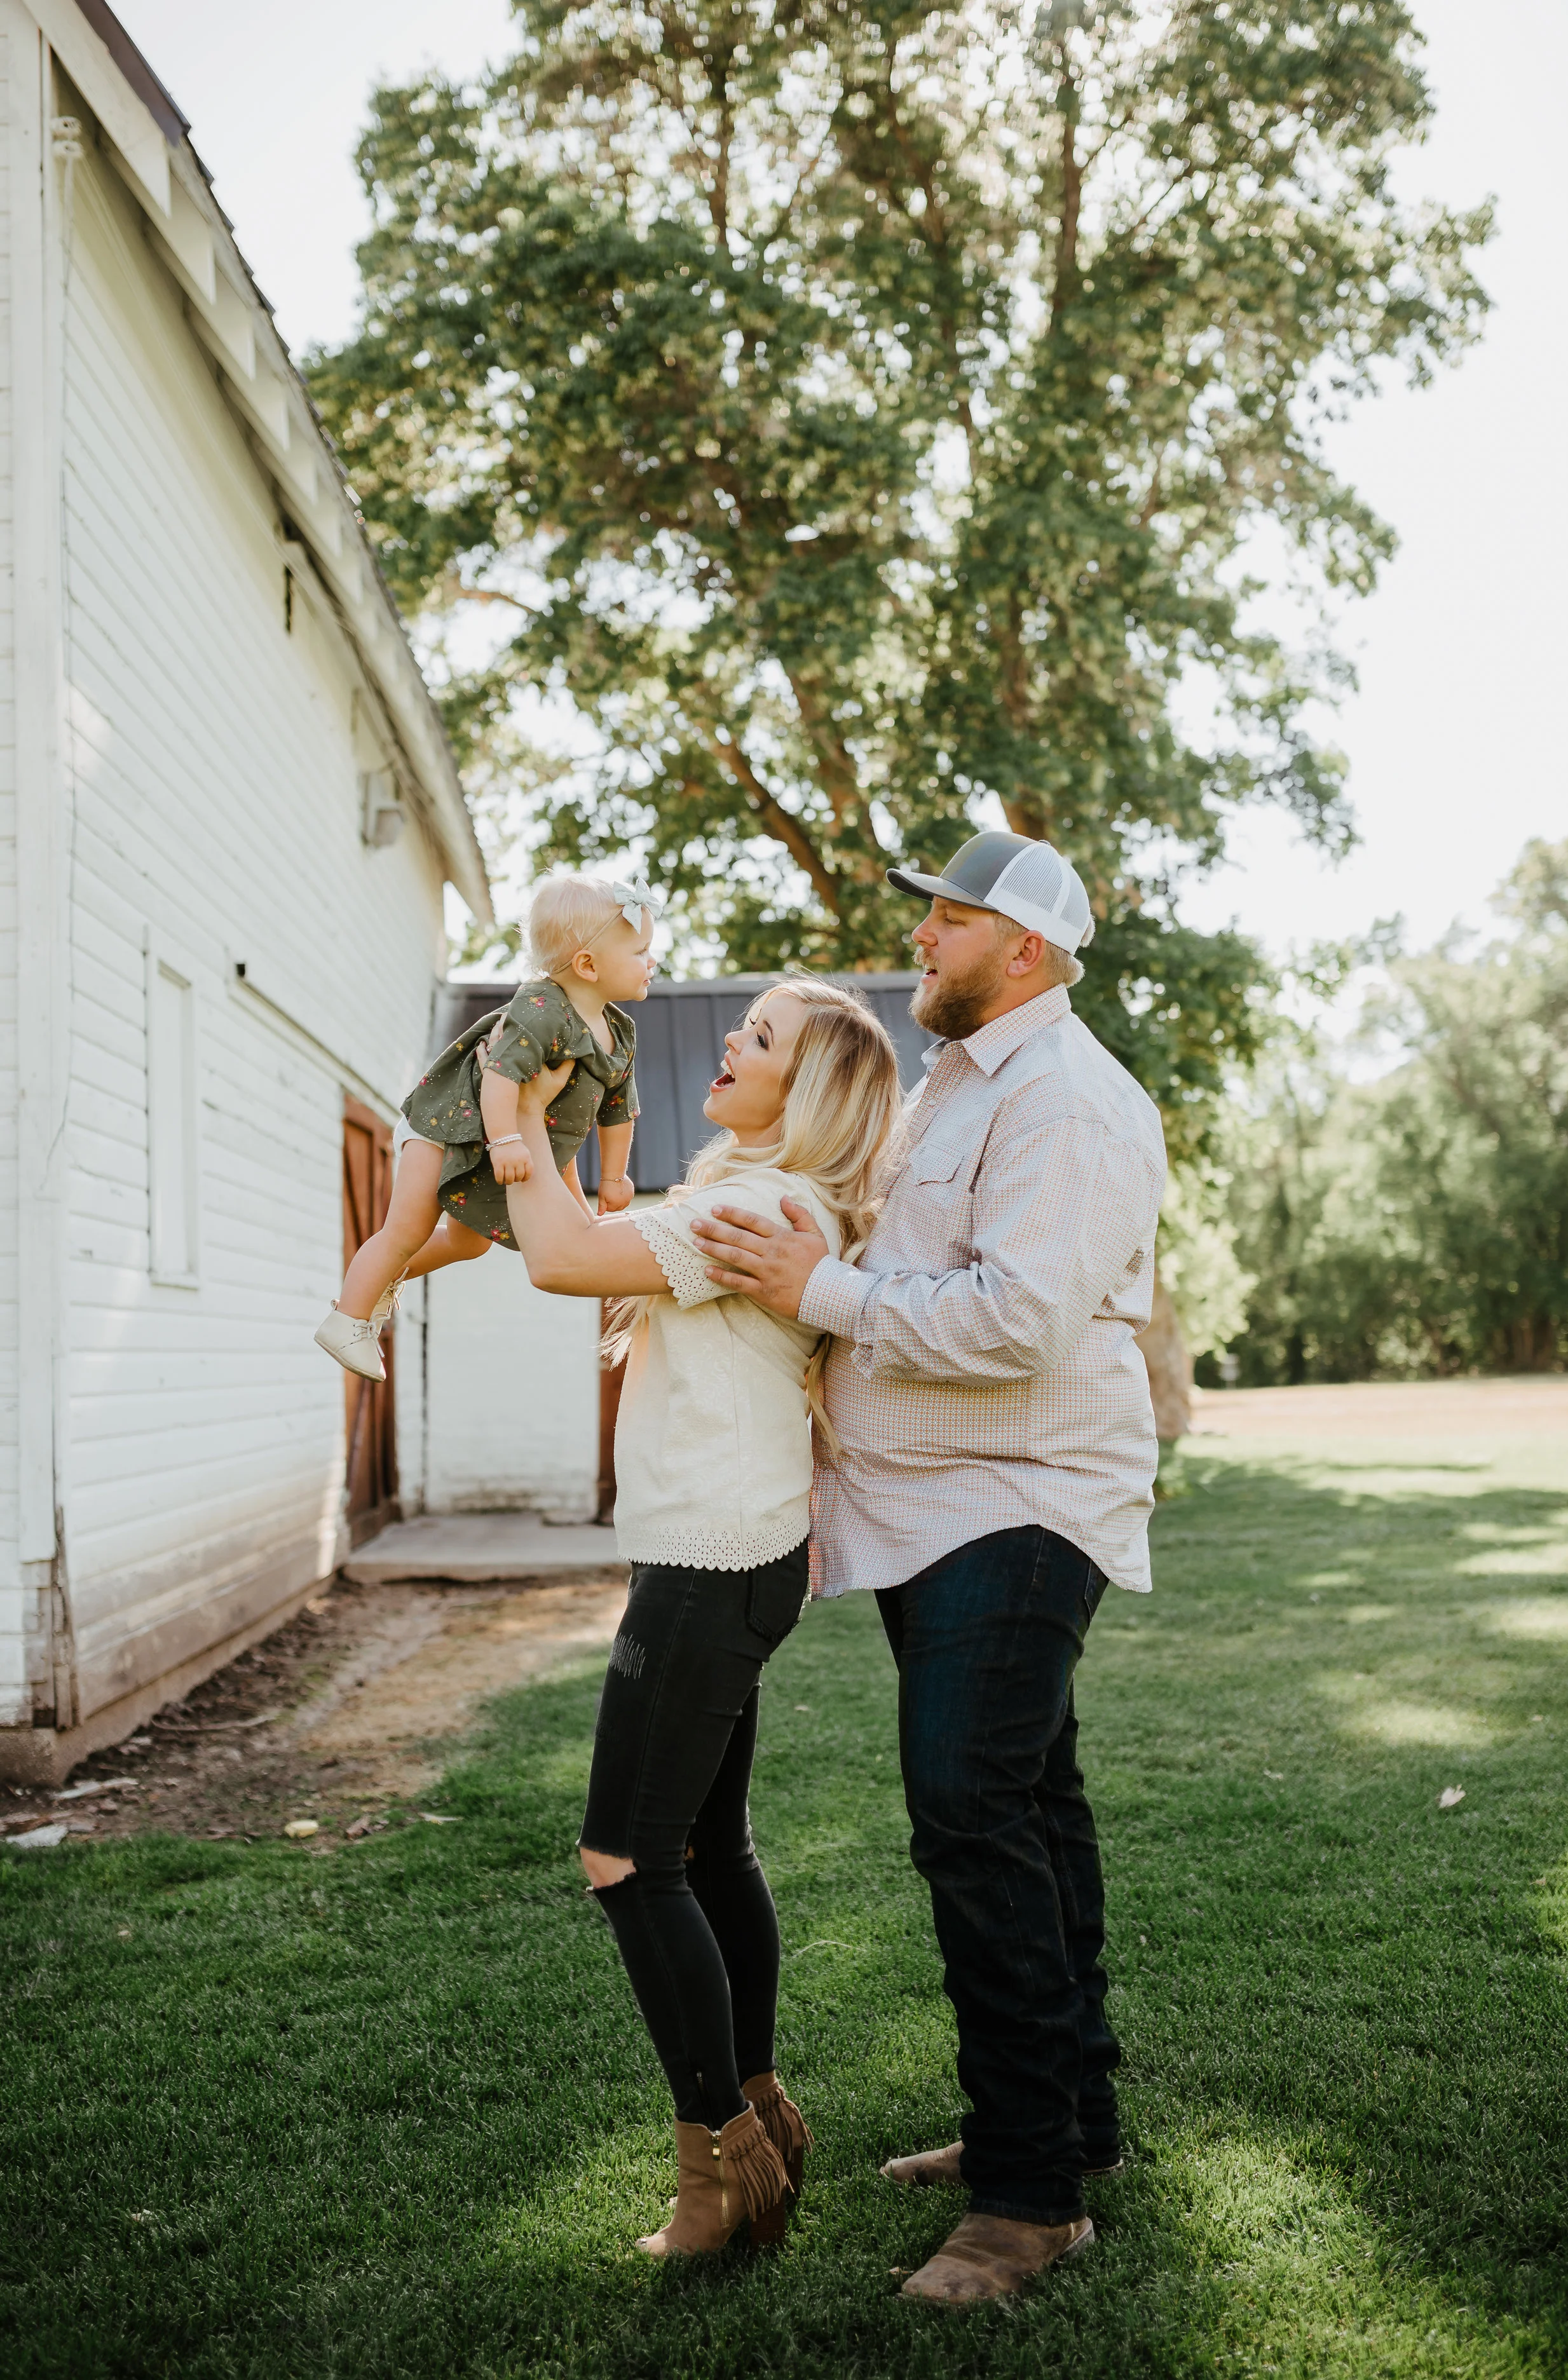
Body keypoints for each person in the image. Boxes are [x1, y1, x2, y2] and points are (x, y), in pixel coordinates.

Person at [690, 831, 1168, 2306]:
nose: (925, 944)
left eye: (952, 924)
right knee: (1029, 1808)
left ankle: (1029, 2206)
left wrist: (814, 1289)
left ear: (1023, 952)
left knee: (971, 1813)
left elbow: (1019, 1322)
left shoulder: (1069, 1102)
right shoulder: (963, 1083)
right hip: (931, 1510)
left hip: (1018, 1506)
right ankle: (1059, 2124)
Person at [505, 977, 901, 2257]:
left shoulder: (749, 1205)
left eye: (762, 1037)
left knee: (623, 1857)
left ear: (810, 1092)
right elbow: (589, 1232)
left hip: (706, 1564)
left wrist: (512, 1120)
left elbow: (563, 1257)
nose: (731, 1040)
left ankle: (719, 2172)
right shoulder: (770, 1199)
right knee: (704, 1850)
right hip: (740, 1555)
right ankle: (764, 2119)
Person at [313, 874, 655, 1382]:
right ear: (588, 964)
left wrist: (613, 1177)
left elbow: (619, 1110)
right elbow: (499, 1074)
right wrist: (507, 1139)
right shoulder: (541, 1009)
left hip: (502, 1138)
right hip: (445, 1123)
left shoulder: (620, 1032)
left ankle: (384, 1278)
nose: (653, 961)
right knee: (408, 1227)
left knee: (469, 1242)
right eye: (641, 951)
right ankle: (347, 1319)